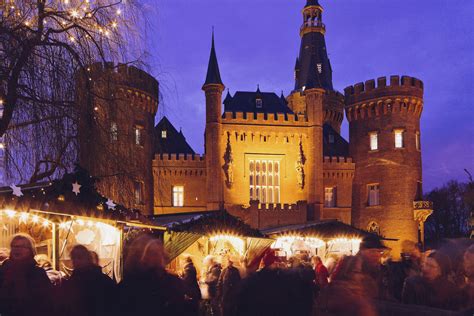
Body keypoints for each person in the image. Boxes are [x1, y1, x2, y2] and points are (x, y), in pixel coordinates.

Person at [315, 234, 388, 316]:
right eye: (373, 251)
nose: (377, 255)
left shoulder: (373, 269)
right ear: (363, 250)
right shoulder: (352, 264)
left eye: (379, 251)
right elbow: (343, 292)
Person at [119, 234, 190, 316]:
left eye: (158, 253)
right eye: (151, 253)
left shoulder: (173, 283)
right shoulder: (129, 286)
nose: (157, 256)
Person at [0, 233, 52, 315]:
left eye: (22, 246)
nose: (17, 249)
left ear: (30, 250)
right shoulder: (4, 270)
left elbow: (46, 301)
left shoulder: (37, 273)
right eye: (14, 246)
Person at [60, 244, 117, 316]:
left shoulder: (102, 281)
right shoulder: (72, 282)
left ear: (87, 259)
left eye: (79, 257)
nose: (75, 261)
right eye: (73, 257)